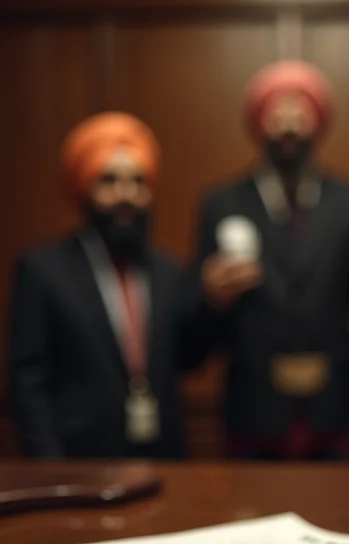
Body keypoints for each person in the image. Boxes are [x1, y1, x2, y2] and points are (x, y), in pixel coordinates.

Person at [194, 60, 349, 460]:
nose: (289, 125)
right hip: (254, 406)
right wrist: (211, 296)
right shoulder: (222, 202)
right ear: (257, 123)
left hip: (332, 406)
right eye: (276, 114)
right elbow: (198, 322)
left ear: (317, 122)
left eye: (299, 112)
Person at [8, 112, 212, 459]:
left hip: (164, 459)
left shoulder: (170, 271)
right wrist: (50, 470)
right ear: (83, 188)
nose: (126, 195)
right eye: (109, 181)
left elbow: (190, 358)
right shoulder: (42, 271)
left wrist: (211, 302)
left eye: (138, 181)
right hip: (80, 463)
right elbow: (28, 386)